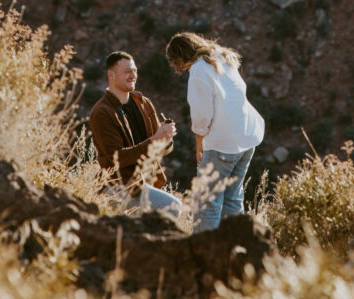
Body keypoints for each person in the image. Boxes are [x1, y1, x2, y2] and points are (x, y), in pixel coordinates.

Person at [165, 31, 264, 233]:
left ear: (180, 57)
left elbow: (202, 115)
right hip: (247, 137)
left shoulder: (199, 70)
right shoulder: (223, 58)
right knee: (233, 198)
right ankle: (235, 248)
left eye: (176, 62)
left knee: (206, 204)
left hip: (223, 143)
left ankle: (204, 255)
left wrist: (199, 144)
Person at [89, 50, 182, 219]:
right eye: (127, 72)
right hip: (119, 185)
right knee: (172, 206)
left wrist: (166, 137)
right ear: (111, 75)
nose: (133, 75)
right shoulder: (102, 112)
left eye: (134, 71)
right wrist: (155, 139)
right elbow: (117, 158)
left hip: (145, 182)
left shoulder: (144, 103)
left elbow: (162, 148)